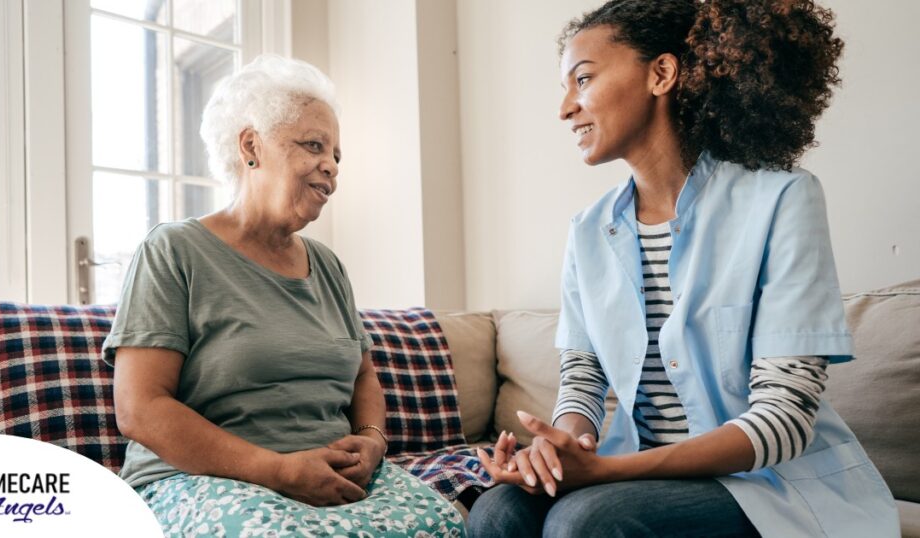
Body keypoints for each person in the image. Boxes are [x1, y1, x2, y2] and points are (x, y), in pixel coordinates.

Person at [469, 1, 898, 536]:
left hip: (766, 483)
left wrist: (606, 472)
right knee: (497, 511)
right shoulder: (588, 230)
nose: (565, 108)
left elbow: (785, 420)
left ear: (661, 73)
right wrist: (561, 451)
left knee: (587, 521)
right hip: (637, 475)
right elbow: (582, 379)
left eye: (582, 79)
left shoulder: (782, 199)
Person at [103, 54, 464, 537]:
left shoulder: (328, 266)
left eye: (336, 155)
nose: (331, 167)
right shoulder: (174, 250)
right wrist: (279, 470)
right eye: (313, 145)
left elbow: (364, 376)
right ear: (251, 145)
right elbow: (141, 409)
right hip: (202, 480)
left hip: (332, 478)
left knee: (445, 524)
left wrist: (372, 442)